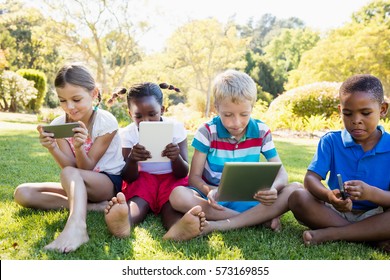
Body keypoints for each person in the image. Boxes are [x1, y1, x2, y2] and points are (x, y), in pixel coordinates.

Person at [163, 69, 302, 241]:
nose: (236, 123)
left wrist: (273, 189)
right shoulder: (207, 132)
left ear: (252, 107)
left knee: (295, 188)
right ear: (217, 108)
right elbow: (194, 178)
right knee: (178, 195)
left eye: (244, 114)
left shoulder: (261, 131)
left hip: (249, 198)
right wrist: (211, 191)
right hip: (214, 199)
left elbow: (282, 173)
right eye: (228, 115)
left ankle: (222, 224)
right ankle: (258, 219)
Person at [13, 63, 125, 253]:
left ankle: (77, 226)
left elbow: (86, 168)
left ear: (94, 93)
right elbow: (69, 166)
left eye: (76, 99)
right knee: (22, 193)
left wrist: (79, 147)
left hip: (106, 182)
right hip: (77, 181)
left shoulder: (106, 122)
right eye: (62, 100)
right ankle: (94, 207)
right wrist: (52, 147)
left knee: (70, 173)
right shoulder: (59, 124)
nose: (69, 107)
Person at [288, 74, 390, 251]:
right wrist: (329, 196)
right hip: (334, 213)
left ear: (382, 109)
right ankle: (371, 236)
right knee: (298, 197)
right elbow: (310, 179)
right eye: (347, 113)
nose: (356, 120)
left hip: (377, 214)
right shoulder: (331, 141)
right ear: (340, 110)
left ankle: (332, 234)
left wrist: (371, 193)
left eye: (365, 113)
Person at [104, 82, 205, 240]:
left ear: (162, 110)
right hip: (143, 178)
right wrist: (132, 160)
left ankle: (178, 228)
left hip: (172, 178)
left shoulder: (175, 128)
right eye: (139, 116)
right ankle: (124, 221)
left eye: (152, 114)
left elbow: (183, 172)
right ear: (130, 114)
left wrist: (175, 157)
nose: (146, 120)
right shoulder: (128, 134)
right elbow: (127, 176)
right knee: (139, 201)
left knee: (170, 205)